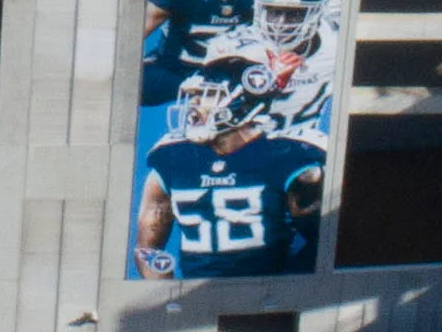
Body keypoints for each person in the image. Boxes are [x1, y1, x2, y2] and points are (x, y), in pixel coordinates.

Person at [131, 65, 327, 280]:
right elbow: (147, 250)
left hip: (263, 294)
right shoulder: (173, 156)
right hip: (196, 298)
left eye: (208, 94)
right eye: (194, 95)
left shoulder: (286, 155)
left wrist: (282, 294)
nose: (194, 103)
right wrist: (170, 298)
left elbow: (322, 244)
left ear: (241, 102)